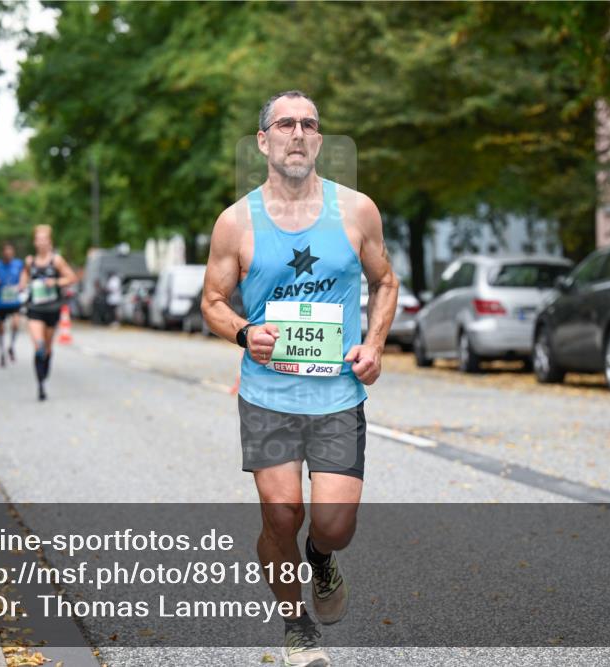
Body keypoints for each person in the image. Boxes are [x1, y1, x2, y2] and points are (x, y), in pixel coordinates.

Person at [201, 91, 398, 667]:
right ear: (263, 140)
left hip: (337, 395)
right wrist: (244, 333)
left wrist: (375, 345)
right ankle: (295, 625)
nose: (297, 133)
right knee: (281, 513)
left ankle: (321, 556)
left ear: (319, 140)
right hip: (268, 395)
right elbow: (212, 302)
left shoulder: (357, 210)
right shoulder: (236, 221)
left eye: (308, 125)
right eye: (285, 124)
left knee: (334, 526)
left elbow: (386, 281)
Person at [21, 225, 77, 401]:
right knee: (39, 346)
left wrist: (56, 282)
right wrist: (22, 285)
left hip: (52, 308)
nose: (42, 242)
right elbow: (24, 278)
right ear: (35, 242)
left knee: (47, 347)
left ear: (50, 242)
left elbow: (71, 277)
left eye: (44, 239)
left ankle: (44, 374)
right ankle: (40, 385)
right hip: (35, 308)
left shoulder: (56, 260)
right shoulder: (30, 261)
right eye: (39, 239)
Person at [0, 241, 24, 368]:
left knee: (16, 323)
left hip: (14, 300)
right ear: (2, 252)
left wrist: (21, 285)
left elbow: (24, 276)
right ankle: (2, 352)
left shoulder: (18, 264)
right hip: (0, 302)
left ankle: (11, 346)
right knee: (0, 329)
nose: (8, 253)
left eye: (10, 251)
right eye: (6, 251)